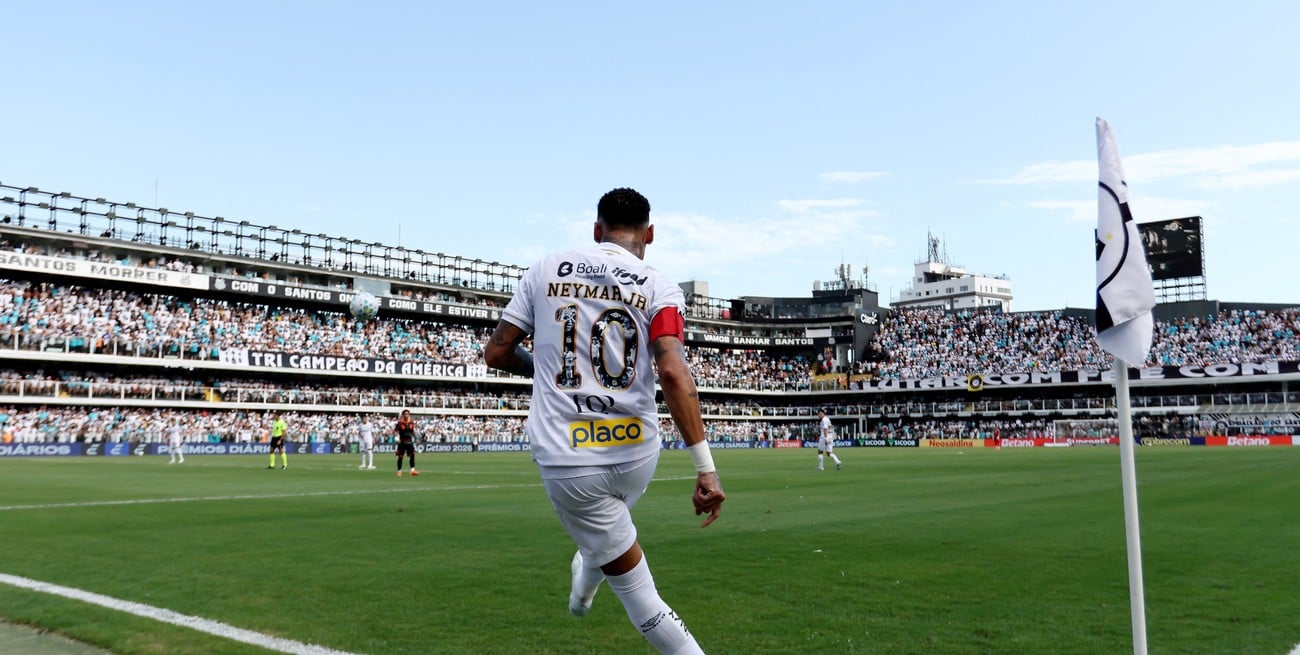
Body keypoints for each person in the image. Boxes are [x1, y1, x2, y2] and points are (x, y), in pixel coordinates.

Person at [484, 187, 726, 654]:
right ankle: (583, 588)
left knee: (640, 596)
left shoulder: (544, 268)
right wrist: (705, 468)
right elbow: (673, 370)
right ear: (649, 234)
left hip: (569, 458)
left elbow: (496, 352)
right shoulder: (659, 284)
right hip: (637, 453)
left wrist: (543, 368)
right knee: (608, 531)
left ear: (597, 230)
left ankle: (584, 592)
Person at [394, 409, 419, 477]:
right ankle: (399, 471)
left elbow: (412, 431)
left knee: (412, 455)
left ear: (409, 415)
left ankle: (412, 470)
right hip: (402, 442)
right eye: (405, 414)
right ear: (403, 415)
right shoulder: (399, 423)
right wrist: (396, 438)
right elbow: (395, 431)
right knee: (400, 457)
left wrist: (416, 438)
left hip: (409, 442)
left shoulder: (411, 422)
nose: (406, 415)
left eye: (407, 414)